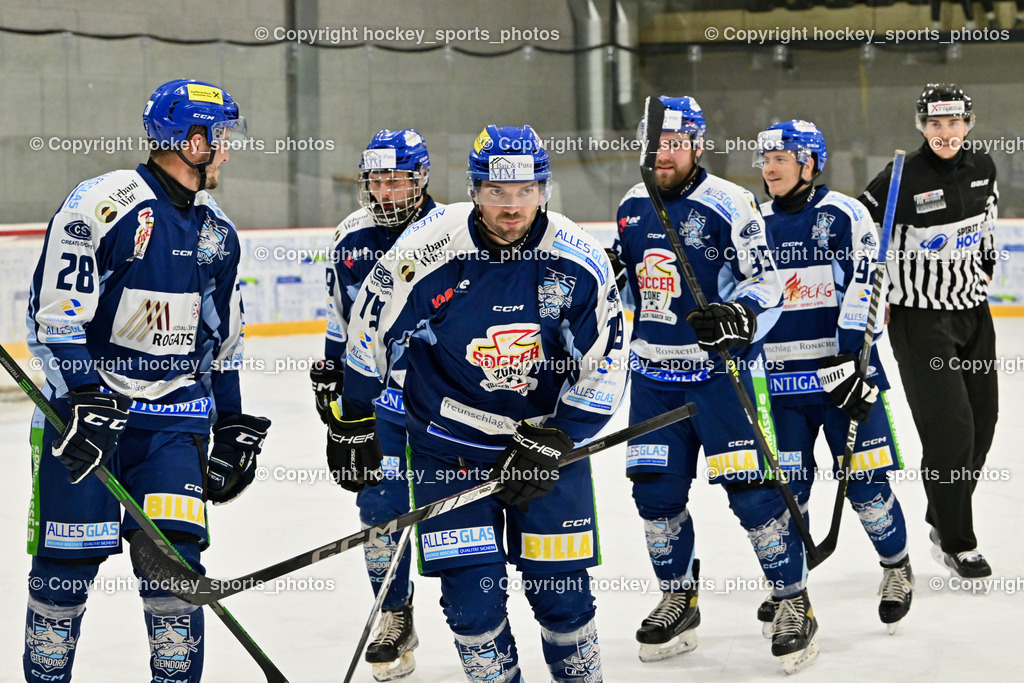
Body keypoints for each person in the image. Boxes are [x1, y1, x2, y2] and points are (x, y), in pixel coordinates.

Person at [338, 124, 627, 683]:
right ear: (473, 190)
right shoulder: (427, 249)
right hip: (450, 450)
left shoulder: (578, 258)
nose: (511, 205)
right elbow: (367, 331)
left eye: (524, 190)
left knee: (563, 601)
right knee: (472, 610)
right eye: (497, 191)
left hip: (546, 451)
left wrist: (556, 440)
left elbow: (607, 361)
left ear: (544, 189)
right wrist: (354, 421)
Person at [23, 79, 270, 682]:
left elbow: (222, 340)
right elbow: (57, 317)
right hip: (84, 416)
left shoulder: (217, 232)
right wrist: (83, 397)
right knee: (64, 573)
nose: (228, 151)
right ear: (191, 141)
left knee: (176, 572)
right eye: (222, 138)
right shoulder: (101, 205)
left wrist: (232, 423)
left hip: (172, 421)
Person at [613, 95, 817, 673]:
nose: (663, 154)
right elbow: (635, 294)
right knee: (654, 498)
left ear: (697, 145)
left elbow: (768, 283)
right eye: (654, 144)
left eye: (675, 144)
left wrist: (741, 316)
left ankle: (792, 599)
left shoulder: (731, 202)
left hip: (721, 379)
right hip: (653, 379)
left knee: (753, 498)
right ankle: (679, 597)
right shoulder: (631, 205)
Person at [755, 120, 913, 635]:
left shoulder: (846, 214)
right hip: (781, 388)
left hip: (845, 382)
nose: (769, 168)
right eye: (765, 159)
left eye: (781, 158)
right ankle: (789, 589)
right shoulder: (753, 223)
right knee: (787, 494)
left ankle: (896, 567)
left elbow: (865, 287)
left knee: (867, 487)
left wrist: (849, 361)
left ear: (809, 163)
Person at [311, 128, 440, 681]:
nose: (386, 192)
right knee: (378, 510)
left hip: (451, 403)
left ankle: (479, 620)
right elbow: (340, 320)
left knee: (461, 515)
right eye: (377, 181)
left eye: (397, 180)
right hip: (382, 401)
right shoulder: (350, 238)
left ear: (422, 179)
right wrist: (335, 382)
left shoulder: (454, 230)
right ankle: (394, 614)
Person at [859, 84, 998, 580]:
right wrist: (875, 292)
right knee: (951, 432)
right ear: (922, 126)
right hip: (920, 320)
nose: (945, 133)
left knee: (983, 426)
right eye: (935, 124)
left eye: (954, 123)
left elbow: (986, 225)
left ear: (968, 124)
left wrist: (984, 268)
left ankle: (942, 518)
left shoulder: (983, 167)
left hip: (974, 315)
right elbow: (857, 228)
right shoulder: (899, 177)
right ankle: (959, 542)